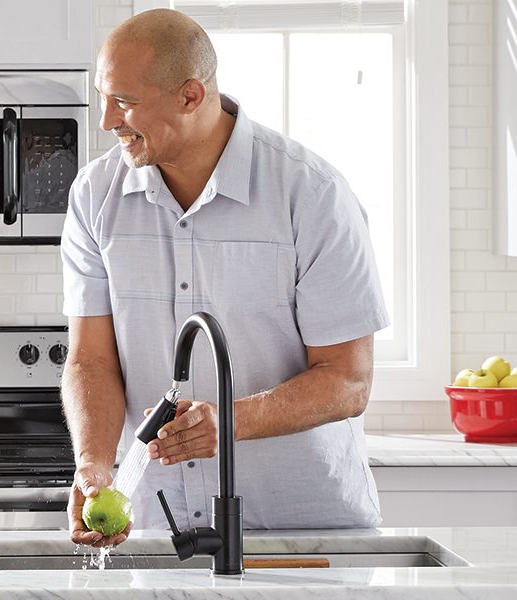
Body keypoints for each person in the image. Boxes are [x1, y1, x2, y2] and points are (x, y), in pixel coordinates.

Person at [60, 9, 388, 547]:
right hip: (154, 524)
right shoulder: (96, 196)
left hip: (301, 529)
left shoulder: (312, 195)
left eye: (125, 101)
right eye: (103, 96)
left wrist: (228, 422)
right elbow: (91, 359)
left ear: (191, 96)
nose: (106, 121)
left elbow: (347, 381)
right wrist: (94, 466)